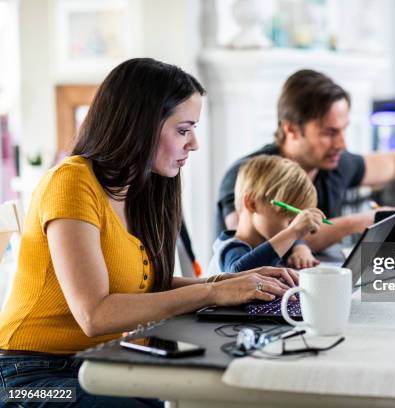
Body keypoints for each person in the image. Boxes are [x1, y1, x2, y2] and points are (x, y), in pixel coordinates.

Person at [0, 58, 296, 407]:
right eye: (183, 130)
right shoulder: (71, 182)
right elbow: (95, 314)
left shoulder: (142, 191)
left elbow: (146, 289)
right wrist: (212, 294)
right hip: (28, 375)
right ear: (140, 126)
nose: (194, 144)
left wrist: (230, 284)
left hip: (97, 362)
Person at [216, 69, 395, 253]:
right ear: (291, 129)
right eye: (329, 133)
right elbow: (253, 247)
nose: (341, 144)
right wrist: (357, 222)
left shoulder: (335, 164)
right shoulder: (247, 175)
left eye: (343, 130)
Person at [208, 155, 325, 275]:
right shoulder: (230, 249)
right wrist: (293, 232)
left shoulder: (267, 240)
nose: (291, 227)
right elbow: (239, 274)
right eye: (289, 221)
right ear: (252, 203)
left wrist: (300, 247)